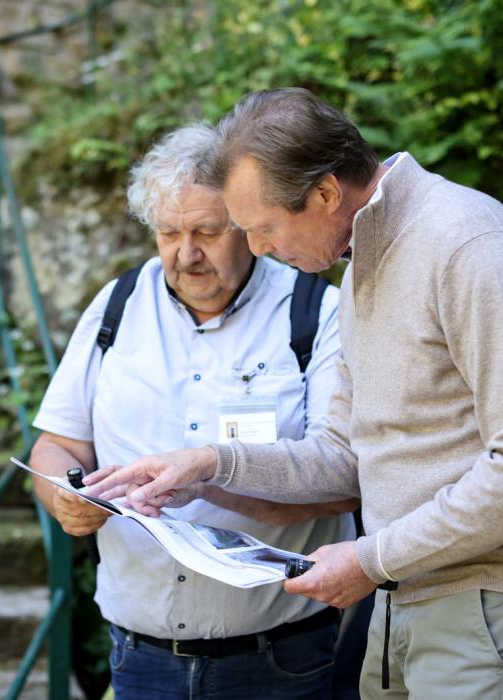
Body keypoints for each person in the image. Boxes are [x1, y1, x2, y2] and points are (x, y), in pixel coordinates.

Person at [85, 88, 503, 699]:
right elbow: (342, 457)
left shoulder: (465, 242)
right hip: (401, 607)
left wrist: (368, 560)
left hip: (477, 609)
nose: (256, 249)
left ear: (327, 194)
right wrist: (208, 466)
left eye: (264, 228)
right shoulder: (362, 258)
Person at [30, 123, 359, 699]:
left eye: (208, 231)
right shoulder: (117, 305)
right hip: (139, 656)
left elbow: (347, 481)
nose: (186, 254)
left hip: (282, 658)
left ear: (248, 225)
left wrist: (209, 481)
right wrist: (65, 496)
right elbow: (58, 444)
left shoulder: (317, 312)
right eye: (168, 232)